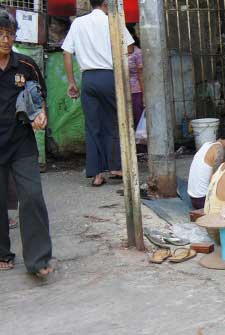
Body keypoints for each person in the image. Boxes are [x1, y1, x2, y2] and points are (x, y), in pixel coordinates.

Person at [0, 9, 53, 276]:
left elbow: (39, 95)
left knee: (32, 197)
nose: (5, 39)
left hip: (21, 141)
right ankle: (2, 253)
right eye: (0, 34)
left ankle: (39, 259)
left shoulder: (26, 65)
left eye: (9, 34)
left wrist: (40, 114)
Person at [61, 0, 135, 187]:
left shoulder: (78, 23)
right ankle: (116, 167)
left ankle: (96, 174)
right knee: (116, 122)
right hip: (110, 77)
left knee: (92, 126)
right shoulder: (113, 21)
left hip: (88, 80)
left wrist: (71, 82)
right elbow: (129, 47)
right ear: (105, 3)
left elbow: (66, 53)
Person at [188, 119, 225, 210]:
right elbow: (215, 181)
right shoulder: (219, 150)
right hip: (203, 201)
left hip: (194, 198)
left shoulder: (208, 144)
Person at [126, 24, 144, 129]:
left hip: (136, 92)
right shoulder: (118, 52)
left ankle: (139, 145)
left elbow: (141, 75)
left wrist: (144, 96)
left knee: (138, 120)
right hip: (122, 91)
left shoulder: (138, 53)